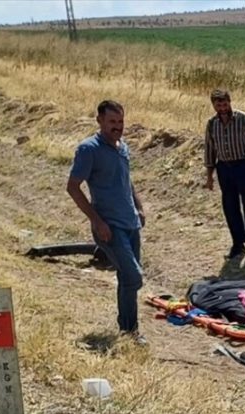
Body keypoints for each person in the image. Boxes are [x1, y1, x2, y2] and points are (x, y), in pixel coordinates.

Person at [66, 99, 148, 346]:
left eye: (120, 121)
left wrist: (140, 207)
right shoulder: (88, 149)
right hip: (109, 227)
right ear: (99, 120)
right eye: (112, 121)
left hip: (131, 223)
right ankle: (127, 328)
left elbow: (126, 180)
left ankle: (129, 332)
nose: (117, 126)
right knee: (134, 277)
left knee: (127, 279)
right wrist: (97, 221)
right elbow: (73, 187)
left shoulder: (123, 147)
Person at [204, 88, 245, 259]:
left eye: (225, 104)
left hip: (243, 166)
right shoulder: (211, 124)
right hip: (224, 168)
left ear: (229, 102)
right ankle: (238, 244)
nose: (223, 108)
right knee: (230, 207)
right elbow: (209, 150)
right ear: (214, 106)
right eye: (219, 105)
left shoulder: (243, 120)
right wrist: (209, 176)